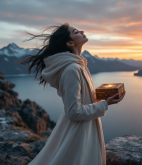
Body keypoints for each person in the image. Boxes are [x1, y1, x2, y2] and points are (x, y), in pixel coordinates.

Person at [18, 23, 126, 165]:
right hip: (79, 132)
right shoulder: (72, 69)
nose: (81, 31)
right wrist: (105, 104)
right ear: (69, 43)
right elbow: (74, 112)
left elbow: (82, 99)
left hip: (84, 126)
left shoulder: (79, 65)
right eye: (76, 31)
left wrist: (103, 95)